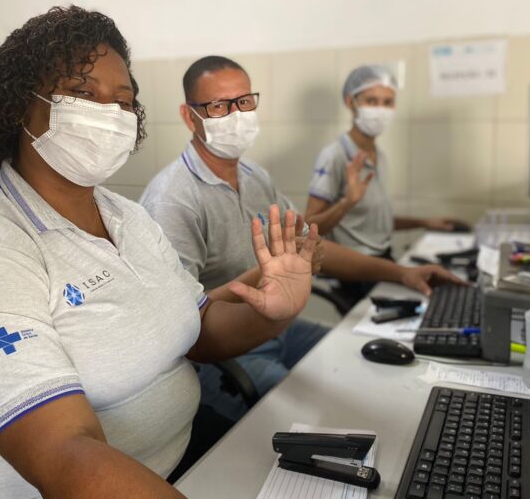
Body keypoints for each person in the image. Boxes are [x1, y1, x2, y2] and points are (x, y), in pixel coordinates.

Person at [0, 7, 319, 499]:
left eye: (123, 101)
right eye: (83, 93)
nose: (110, 114)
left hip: (176, 464)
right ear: (22, 106)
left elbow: (198, 325)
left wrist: (275, 315)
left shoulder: (128, 218)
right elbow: (67, 457)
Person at [139, 56, 464, 421]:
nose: (236, 115)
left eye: (244, 102)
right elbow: (177, 324)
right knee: (325, 419)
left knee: (363, 371)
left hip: (280, 330)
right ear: (189, 116)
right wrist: (268, 276)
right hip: (228, 356)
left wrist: (400, 273)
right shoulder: (172, 200)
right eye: (218, 105)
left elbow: (309, 242)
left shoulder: (255, 177)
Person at [305, 64, 468, 305]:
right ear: (351, 101)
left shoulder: (379, 156)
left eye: (388, 102)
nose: (380, 110)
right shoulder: (335, 156)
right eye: (372, 100)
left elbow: (371, 221)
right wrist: (347, 202)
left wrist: (423, 223)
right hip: (355, 270)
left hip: (382, 261)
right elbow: (309, 226)